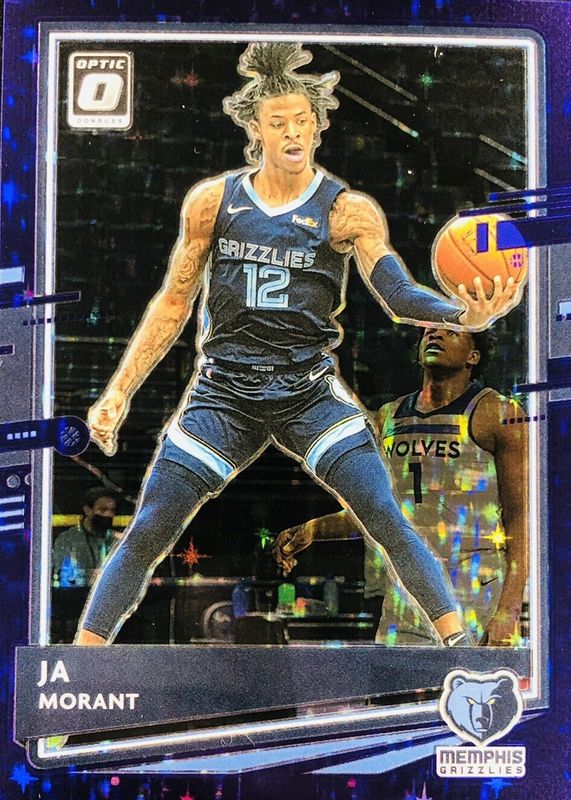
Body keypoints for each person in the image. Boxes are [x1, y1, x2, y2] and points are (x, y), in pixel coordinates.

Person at [77, 42, 519, 648]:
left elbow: (396, 292)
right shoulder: (213, 201)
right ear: (255, 130)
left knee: (386, 517)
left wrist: (461, 312)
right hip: (224, 393)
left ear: (317, 127)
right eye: (278, 121)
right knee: (150, 529)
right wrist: (118, 392)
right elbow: (173, 303)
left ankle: (459, 651)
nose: (292, 131)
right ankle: (77, 668)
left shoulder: (347, 210)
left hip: (308, 391)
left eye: (302, 120)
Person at [274, 328, 529, 646]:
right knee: (394, 681)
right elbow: (376, 513)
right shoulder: (389, 418)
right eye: (429, 330)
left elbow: (522, 518)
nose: (434, 334)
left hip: (475, 593)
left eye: (449, 332)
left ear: (473, 356)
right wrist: (313, 529)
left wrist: (509, 611)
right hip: (405, 599)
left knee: (467, 680)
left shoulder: (498, 414)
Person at [52, 487, 119, 584]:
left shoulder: (117, 540)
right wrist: (91, 575)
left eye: (112, 510)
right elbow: (62, 573)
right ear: (87, 510)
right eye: (103, 510)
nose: (108, 514)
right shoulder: (68, 538)